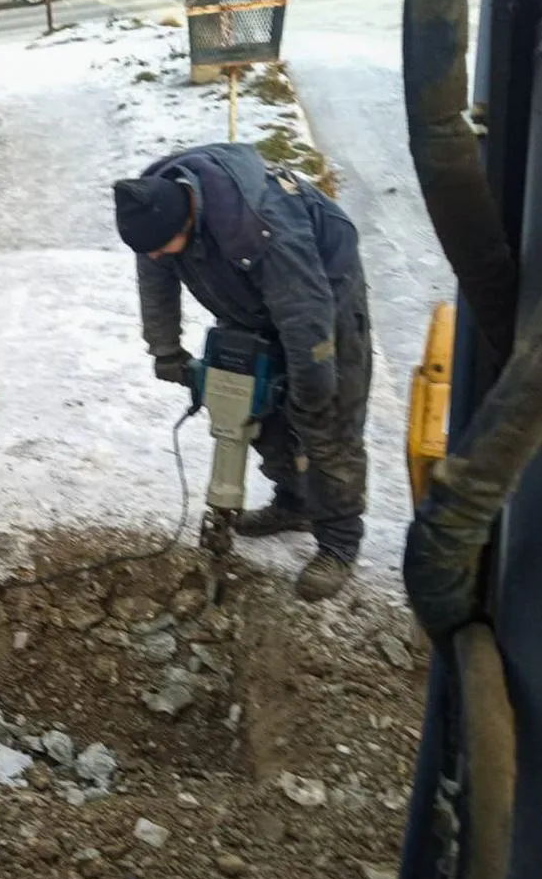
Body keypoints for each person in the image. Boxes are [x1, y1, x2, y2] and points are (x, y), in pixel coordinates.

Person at [113, 143, 372, 601]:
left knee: (325, 421)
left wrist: (312, 383)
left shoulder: (261, 224)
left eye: (160, 250)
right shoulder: (153, 210)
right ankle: (294, 502)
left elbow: (304, 308)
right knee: (259, 407)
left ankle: (339, 543)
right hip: (247, 300)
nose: (154, 258)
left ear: (187, 220)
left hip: (322, 296)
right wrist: (166, 350)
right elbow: (155, 278)